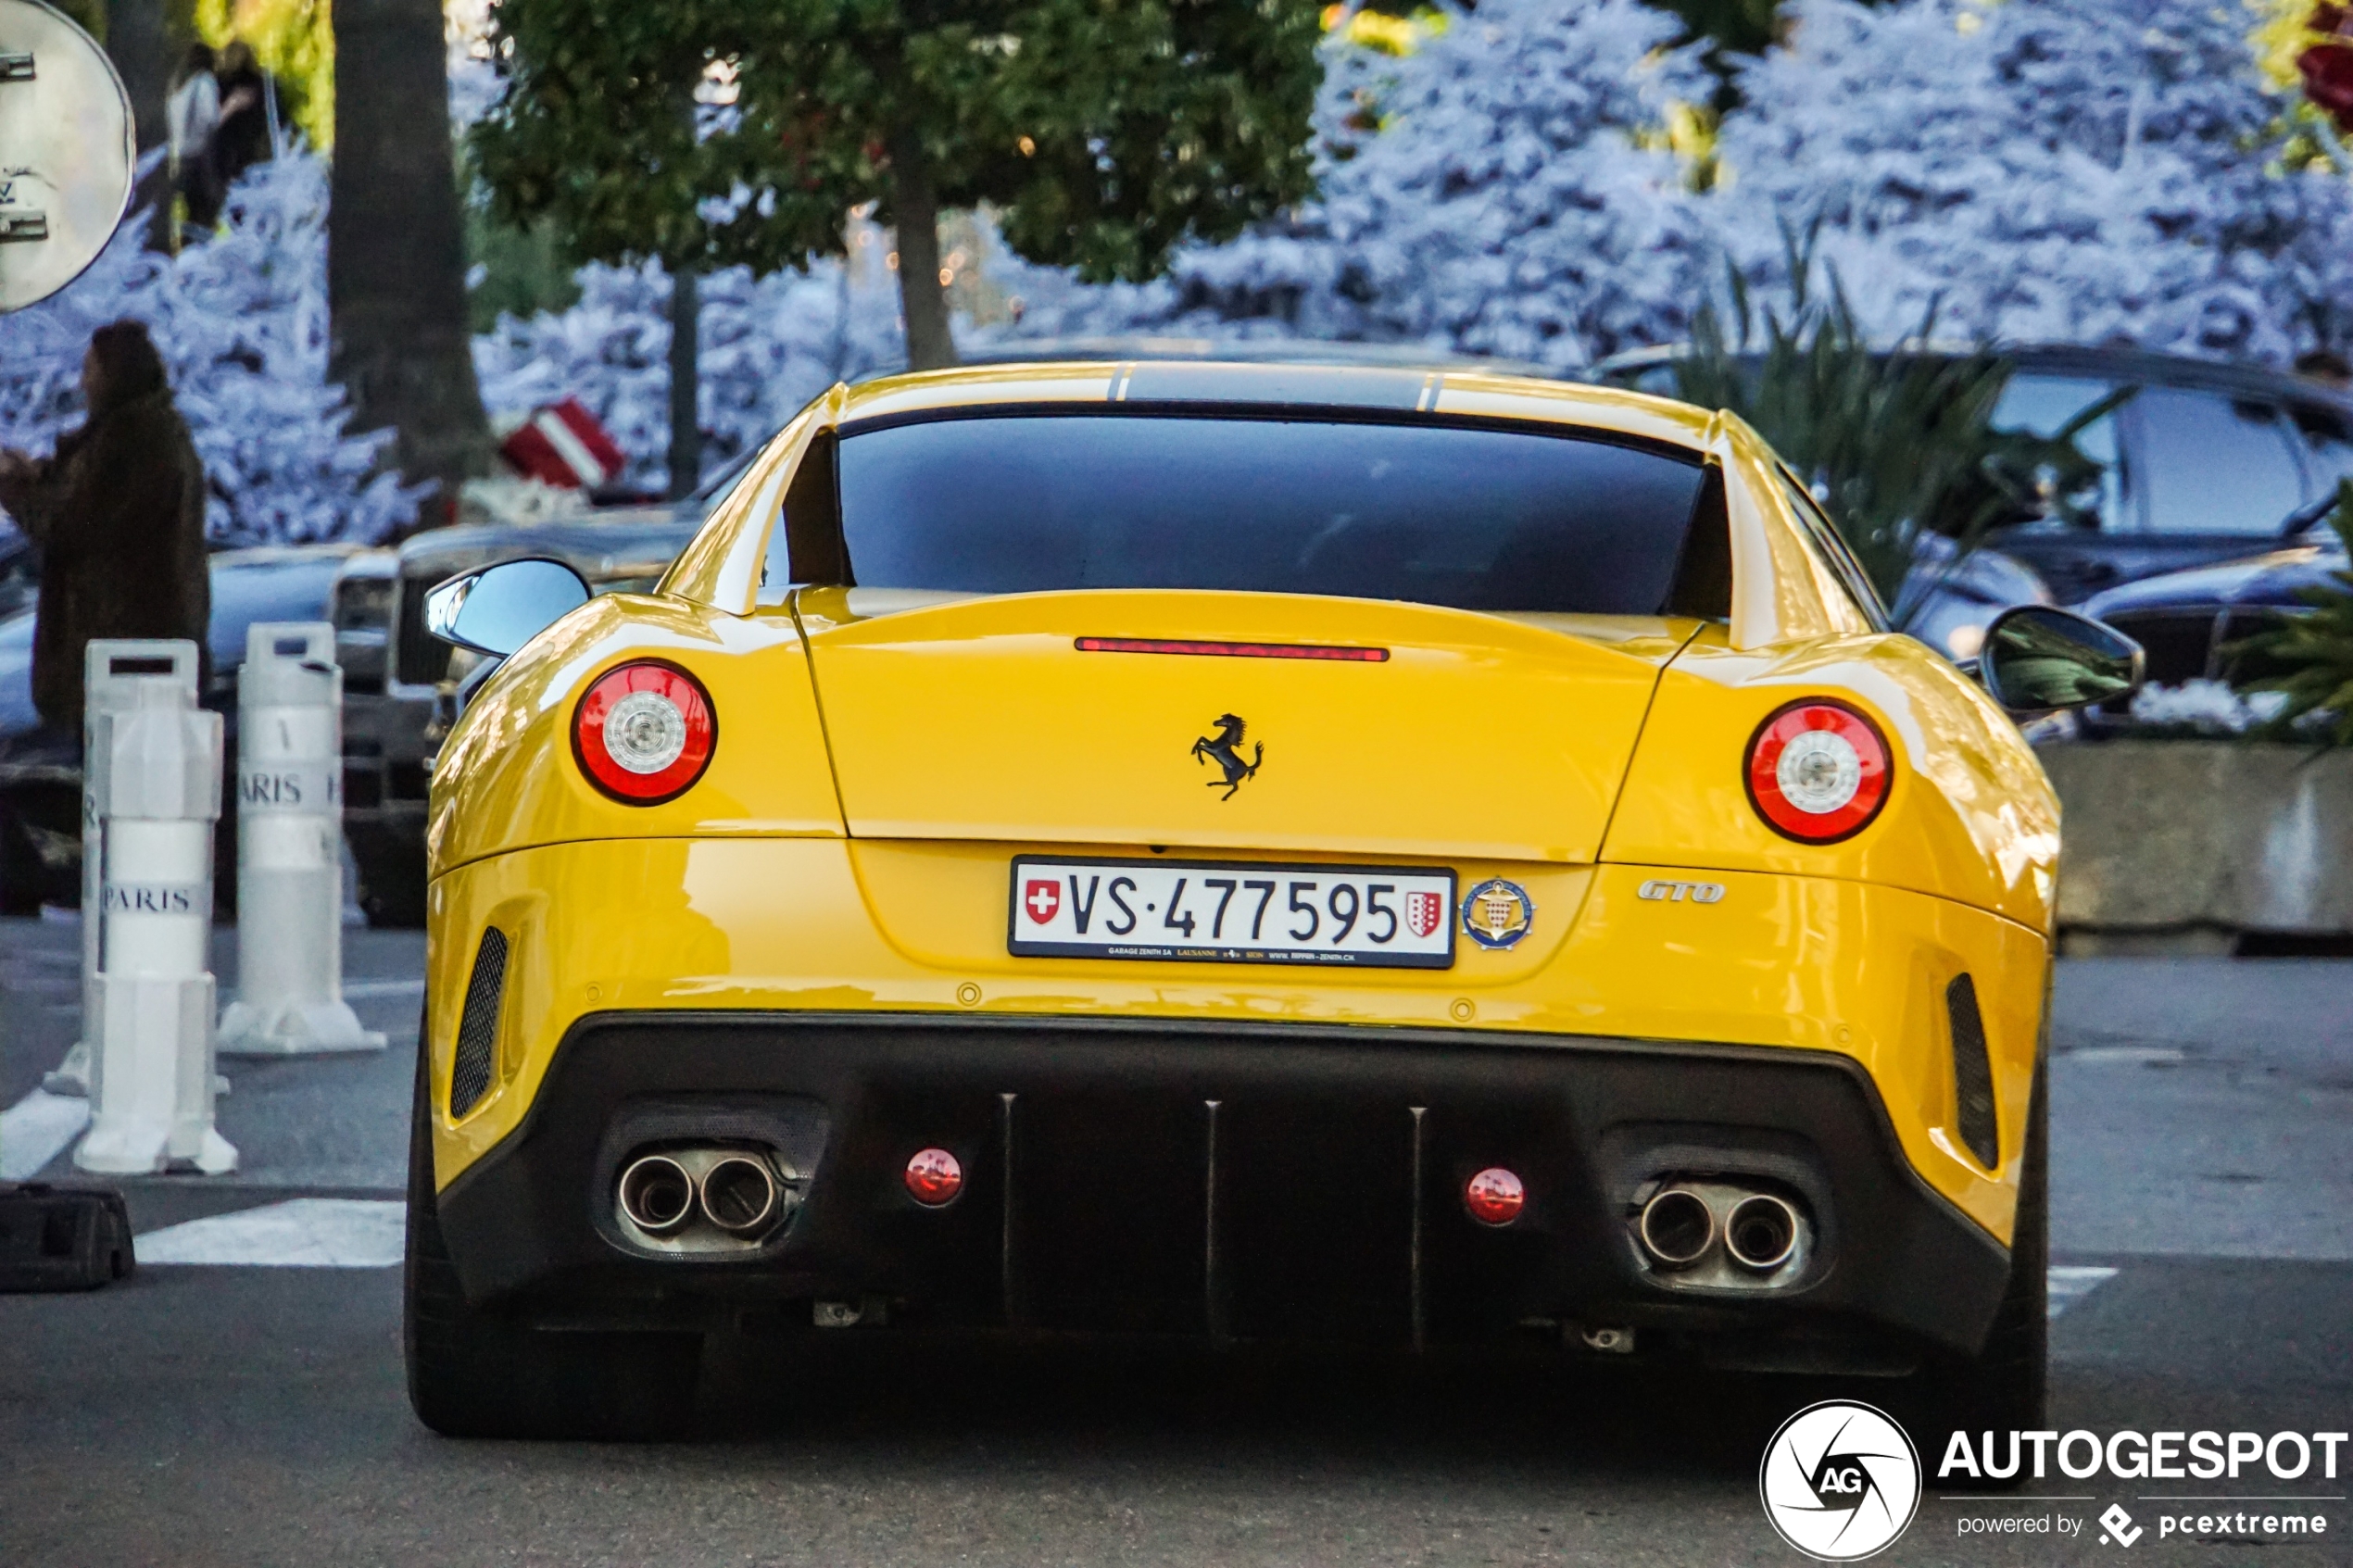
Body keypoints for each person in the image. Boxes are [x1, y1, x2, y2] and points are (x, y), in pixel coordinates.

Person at [0, 322, 211, 743]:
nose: (83, 383)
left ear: (114, 374)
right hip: (134, 660)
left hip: (123, 661)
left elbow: (70, 523)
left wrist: (13, 485)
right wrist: (37, 474)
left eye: (91, 370)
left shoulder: (133, 442)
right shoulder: (149, 433)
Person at [165, 43, 224, 236]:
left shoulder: (177, 84)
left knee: (187, 215)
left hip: (179, 157)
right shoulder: (205, 82)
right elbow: (211, 118)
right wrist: (233, 105)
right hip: (199, 157)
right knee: (204, 216)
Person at [208, 41, 279, 198]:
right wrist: (231, 105)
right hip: (226, 159)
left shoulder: (259, 83)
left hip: (252, 157)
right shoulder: (216, 83)